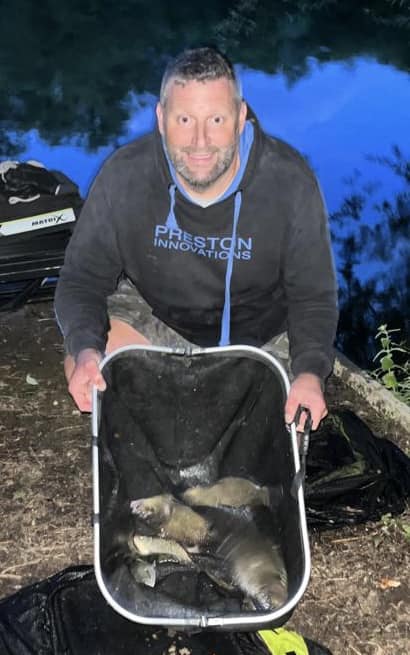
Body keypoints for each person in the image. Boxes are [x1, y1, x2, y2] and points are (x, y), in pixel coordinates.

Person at [54, 47, 338, 430]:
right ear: (161, 118)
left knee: (267, 436)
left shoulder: (290, 181)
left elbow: (314, 297)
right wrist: (87, 350)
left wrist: (310, 372)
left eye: (216, 119)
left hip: (261, 337)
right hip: (161, 317)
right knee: (93, 370)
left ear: (240, 118)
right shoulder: (124, 175)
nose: (200, 141)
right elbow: (81, 280)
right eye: (184, 119)